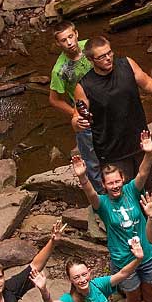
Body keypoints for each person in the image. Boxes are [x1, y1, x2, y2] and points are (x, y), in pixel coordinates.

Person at [70, 131, 152, 302]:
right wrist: (83, 177)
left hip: (147, 252)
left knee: (151, 292)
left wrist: (149, 152)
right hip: (123, 259)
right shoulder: (103, 204)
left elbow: (143, 173)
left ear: (123, 179)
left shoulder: (132, 191)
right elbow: (90, 194)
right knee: (133, 296)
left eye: (117, 181)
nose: (114, 186)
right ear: (104, 185)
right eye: (109, 183)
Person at [75, 37, 152, 187]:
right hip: (112, 152)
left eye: (110, 53)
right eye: (102, 57)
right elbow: (76, 118)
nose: (108, 58)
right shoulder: (84, 86)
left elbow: (149, 86)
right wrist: (79, 122)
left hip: (140, 143)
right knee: (122, 196)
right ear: (91, 60)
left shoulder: (127, 64)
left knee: (148, 189)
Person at [48, 21, 99, 184]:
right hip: (84, 111)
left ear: (76, 34)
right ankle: (99, 193)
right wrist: (75, 113)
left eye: (70, 36)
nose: (69, 42)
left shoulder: (90, 47)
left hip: (105, 101)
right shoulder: (60, 70)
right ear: (58, 43)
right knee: (91, 155)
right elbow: (54, 100)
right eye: (64, 40)